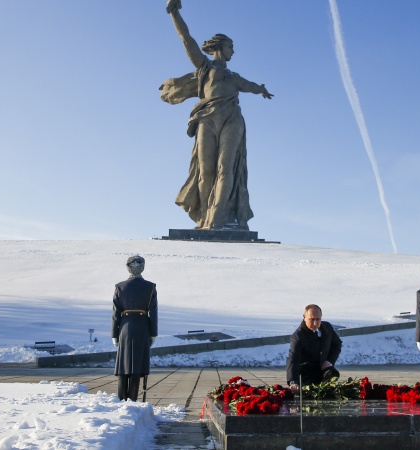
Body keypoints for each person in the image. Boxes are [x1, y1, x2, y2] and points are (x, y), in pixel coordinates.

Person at [162, 0, 273, 231]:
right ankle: (204, 217)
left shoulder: (234, 77)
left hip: (232, 120)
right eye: (231, 47)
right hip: (207, 119)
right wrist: (174, 13)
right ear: (220, 47)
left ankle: (217, 220)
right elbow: (187, 39)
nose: (233, 51)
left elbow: (250, 85)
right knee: (206, 171)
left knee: (226, 167)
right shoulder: (205, 67)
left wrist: (261, 89)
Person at [112, 255, 158, 401]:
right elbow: (153, 312)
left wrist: (114, 333)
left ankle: (121, 397)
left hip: (125, 328)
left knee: (123, 365)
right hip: (142, 327)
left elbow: (115, 313)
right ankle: (132, 398)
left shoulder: (120, 287)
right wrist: (153, 333)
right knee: (137, 365)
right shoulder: (150, 287)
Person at [286, 304, 343, 392]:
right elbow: (293, 359)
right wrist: (293, 381)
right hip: (307, 374)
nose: (315, 323)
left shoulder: (327, 327)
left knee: (332, 374)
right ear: (304, 317)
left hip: (323, 370)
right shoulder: (298, 336)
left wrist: (329, 361)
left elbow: (337, 345)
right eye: (312, 319)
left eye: (318, 319)